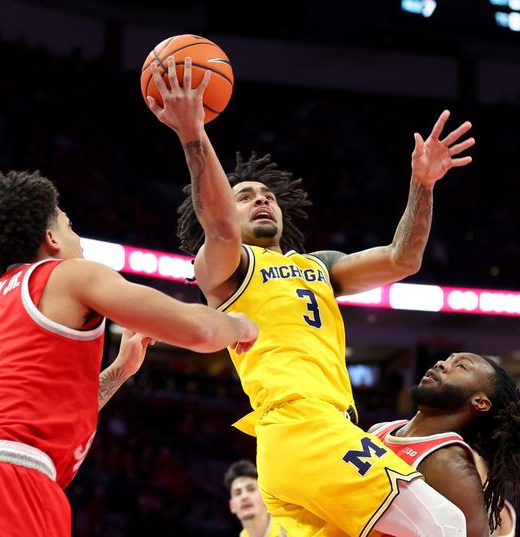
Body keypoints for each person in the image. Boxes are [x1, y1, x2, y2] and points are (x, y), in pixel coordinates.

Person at [147, 56, 475, 537]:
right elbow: (216, 225)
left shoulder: (318, 266)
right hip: (302, 426)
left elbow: (402, 259)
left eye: (267, 195)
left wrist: (421, 186)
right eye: (244, 196)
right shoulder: (224, 268)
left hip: (321, 437)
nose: (260, 199)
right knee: (445, 525)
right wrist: (193, 135)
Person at [0, 170, 259, 537]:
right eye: (69, 225)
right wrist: (238, 324)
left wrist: (120, 370)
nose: (79, 239)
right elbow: (198, 330)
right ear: (51, 238)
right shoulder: (69, 275)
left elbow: (40, 409)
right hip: (5, 486)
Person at [370, 352, 520, 537]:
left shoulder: (448, 464)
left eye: (461, 366)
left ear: (480, 402)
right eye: (448, 359)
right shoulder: (379, 430)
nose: (441, 363)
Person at [224, 460, 286, 537]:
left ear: (264, 496)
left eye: (251, 489)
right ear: (232, 506)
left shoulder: (290, 530)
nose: (244, 496)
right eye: (238, 493)